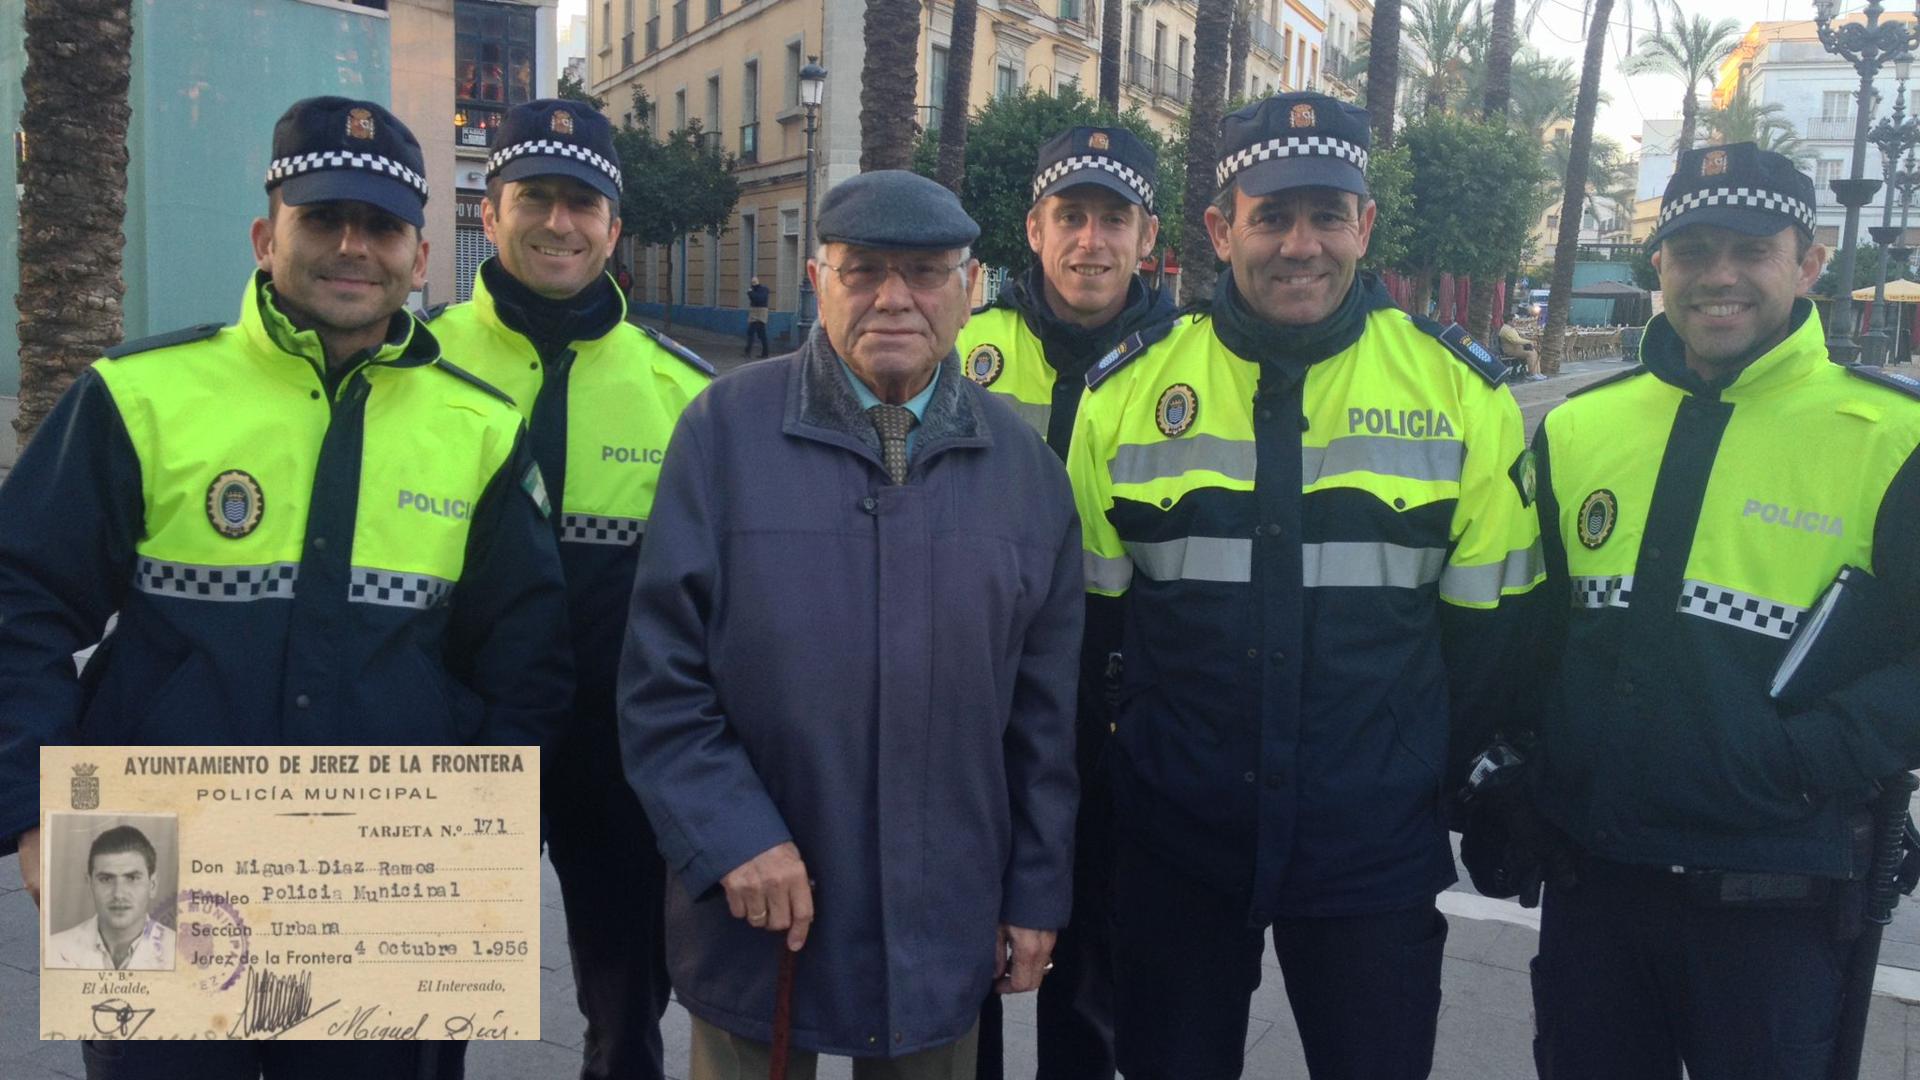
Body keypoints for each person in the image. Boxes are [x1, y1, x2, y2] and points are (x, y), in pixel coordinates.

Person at [0, 96, 571, 1079]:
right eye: (322, 219)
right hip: (150, 859)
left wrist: (494, 826)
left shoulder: (480, 428)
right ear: (267, 237)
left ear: (421, 257)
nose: (354, 246)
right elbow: (20, 597)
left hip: (391, 866)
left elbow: (527, 650)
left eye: (383, 227)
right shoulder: (140, 394)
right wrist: (33, 811)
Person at [1065, 92, 1543, 1079]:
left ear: (1365, 224)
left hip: (1371, 848)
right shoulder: (1124, 394)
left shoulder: (1461, 394)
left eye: (1328, 214)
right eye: (1271, 214)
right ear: (1219, 227)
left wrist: (1411, 771)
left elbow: (1492, 642)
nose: (1301, 244)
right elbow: (1086, 633)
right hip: (1177, 845)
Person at [620, 169, 1083, 1080]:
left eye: (924, 272)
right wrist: (730, 836)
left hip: (943, 911)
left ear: (970, 286)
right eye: (863, 269)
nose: (894, 298)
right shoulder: (722, 432)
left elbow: (1043, 719)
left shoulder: (1025, 467)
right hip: (756, 908)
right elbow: (659, 678)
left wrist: (1034, 888)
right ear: (818, 278)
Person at [1500, 142, 1920, 1078]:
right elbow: (1536, 634)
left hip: (1777, 906)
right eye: (1692, 251)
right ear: (1660, 267)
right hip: (1596, 891)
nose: (1718, 277)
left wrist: (1802, 760)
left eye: (1750, 249)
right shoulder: (1579, 427)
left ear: (1807, 263)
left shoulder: (1896, 438)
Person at [427, 96, 713, 1080]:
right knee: (418, 1011)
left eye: (582, 202)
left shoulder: (684, 393)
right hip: (449, 745)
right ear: (489, 210)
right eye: (536, 197)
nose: (560, 221)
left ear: (613, 225)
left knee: (628, 1015)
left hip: (618, 759)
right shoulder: (406, 363)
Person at [953, 125, 1173, 1080]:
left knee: (1092, 966)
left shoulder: (1190, 359)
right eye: (1070, 217)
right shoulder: (964, 344)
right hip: (976, 693)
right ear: (1033, 229)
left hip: (1118, 705)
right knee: (965, 954)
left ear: (1148, 237)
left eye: (1112, 220)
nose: (1091, 241)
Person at [45, 825, 176, 972]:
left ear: (152, 885)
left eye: (132, 878)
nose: (118, 894)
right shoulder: (52, 949)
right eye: (106, 879)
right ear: (90, 884)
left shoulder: (179, 952)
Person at [1498, 305, 1544, 381]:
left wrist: (1527, 340)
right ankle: (1532, 374)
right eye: (1514, 321)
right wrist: (1529, 341)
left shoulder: (1511, 328)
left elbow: (1518, 338)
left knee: (1535, 353)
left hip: (1517, 349)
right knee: (1531, 354)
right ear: (1509, 321)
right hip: (1511, 351)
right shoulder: (1506, 330)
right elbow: (1515, 340)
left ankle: (1538, 373)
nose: (1515, 322)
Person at [746, 276, 771, 358]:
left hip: (759, 313)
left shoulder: (759, 290)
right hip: (758, 313)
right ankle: (764, 353)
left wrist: (750, 293)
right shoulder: (763, 289)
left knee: (755, 333)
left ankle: (750, 352)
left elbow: (758, 299)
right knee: (756, 333)